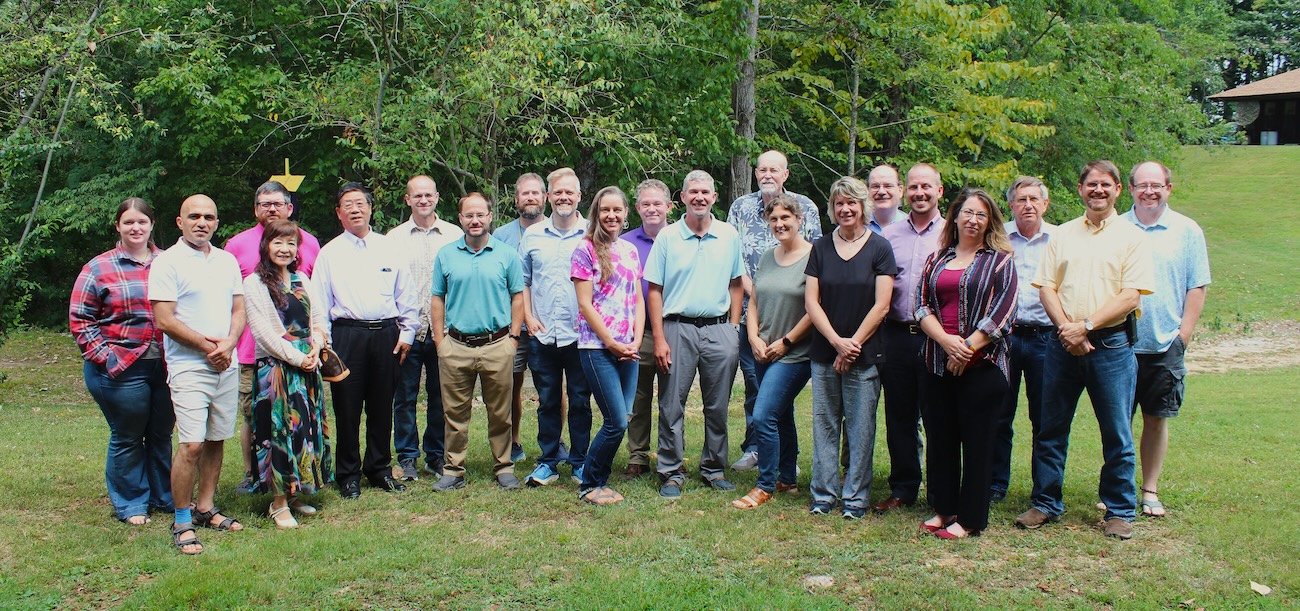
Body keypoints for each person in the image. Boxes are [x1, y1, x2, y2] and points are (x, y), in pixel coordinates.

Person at [1017, 160, 1154, 540]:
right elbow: (1046, 287)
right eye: (1091, 184)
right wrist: (1067, 329)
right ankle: (1045, 503)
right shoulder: (1062, 234)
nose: (1098, 190)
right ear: (1080, 189)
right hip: (1062, 345)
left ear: (1117, 191)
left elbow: (1130, 296)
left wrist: (1087, 326)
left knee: (1116, 432)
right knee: (1050, 427)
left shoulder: (1133, 237)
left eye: (1105, 185)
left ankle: (1120, 510)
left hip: (1110, 345)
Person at [915, 189, 1018, 539]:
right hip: (935, 363)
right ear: (955, 216)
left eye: (982, 215)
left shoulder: (1001, 261)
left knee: (978, 443)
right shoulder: (937, 258)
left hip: (983, 367)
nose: (973, 220)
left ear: (990, 221)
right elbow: (921, 306)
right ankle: (943, 509)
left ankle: (971, 518)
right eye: (968, 213)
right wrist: (945, 343)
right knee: (941, 439)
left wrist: (966, 349)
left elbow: (1003, 315)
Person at [149, 194, 246, 555]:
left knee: (217, 438)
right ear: (180, 222)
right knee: (191, 444)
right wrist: (211, 348)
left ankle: (206, 507)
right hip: (190, 366)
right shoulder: (167, 263)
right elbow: (165, 320)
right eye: (194, 216)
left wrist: (231, 343)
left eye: (209, 217)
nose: (202, 222)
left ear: (217, 223)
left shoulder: (227, 261)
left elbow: (239, 308)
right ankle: (181, 518)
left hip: (226, 362)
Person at [70, 198, 173, 526]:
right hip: (123, 366)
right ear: (118, 226)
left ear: (152, 224)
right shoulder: (99, 268)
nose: (135, 228)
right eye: (128, 222)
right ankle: (131, 504)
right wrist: (105, 357)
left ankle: (164, 496)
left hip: (168, 365)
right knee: (128, 435)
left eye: (141, 221)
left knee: (160, 433)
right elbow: (80, 318)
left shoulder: (169, 263)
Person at [311, 182, 418, 499]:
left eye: (360, 203)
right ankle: (348, 474)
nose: (355, 209)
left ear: (371, 209)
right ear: (339, 214)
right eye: (348, 205)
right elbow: (319, 302)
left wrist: (408, 333)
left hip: (387, 335)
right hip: (347, 336)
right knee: (347, 408)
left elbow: (407, 295)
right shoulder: (329, 253)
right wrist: (326, 344)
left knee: (383, 406)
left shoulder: (390, 248)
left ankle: (380, 468)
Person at [644, 170, 744, 497]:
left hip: (719, 329)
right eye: (693, 192)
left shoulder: (728, 235)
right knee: (672, 403)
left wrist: (734, 326)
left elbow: (736, 282)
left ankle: (714, 468)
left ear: (714, 197)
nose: (699, 197)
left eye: (705, 192)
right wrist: (659, 338)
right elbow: (654, 290)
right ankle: (671, 470)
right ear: (683, 198)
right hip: (677, 328)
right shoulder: (668, 238)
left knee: (718, 405)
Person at [1122, 161, 1210, 518]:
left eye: (1156, 185)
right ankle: (1117, 488)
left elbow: (1197, 285)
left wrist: (1183, 335)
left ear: (1168, 188)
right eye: (1142, 185)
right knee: (1118, 420)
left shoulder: (1186, 230)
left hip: (1164, 343)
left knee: (1156, 417)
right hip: (1119, 342)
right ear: (1130, 189)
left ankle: (1150, 490)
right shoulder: (1117, 227)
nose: (1149, 191)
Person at [804, 177, 896, 519]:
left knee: (860, 428)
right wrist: (836, 343)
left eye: (851, 203)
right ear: (832, 208)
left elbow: (882, 304)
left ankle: (855, 498)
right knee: (825, 424)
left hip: (865, 353)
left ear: (863, 207)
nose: (845, 209)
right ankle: (824, 495)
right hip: (825, 351)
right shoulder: (820, 247)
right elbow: (812, 302)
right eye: (839, 203)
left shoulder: (879, 248)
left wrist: (852, 345)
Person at [726, 150, 822, 472]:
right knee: (755, 385)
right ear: (755, 173)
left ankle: (780, 466)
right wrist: (757, 293)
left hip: (794, 317)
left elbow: (820, 258)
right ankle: (756, 448)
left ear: (786, 174)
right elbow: (732, 259)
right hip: (751, 315)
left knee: (777, 397)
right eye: (762, 169)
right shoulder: (740, 207)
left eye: (774, 170)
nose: (767, 174)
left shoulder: (805, 206)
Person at [224, 181, 322, 496]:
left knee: (300, 420)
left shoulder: (309, 244)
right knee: (258, 419)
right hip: (258, 355)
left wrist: (315, 348)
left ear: (289, 207)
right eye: (264, 204)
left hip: (304, 359)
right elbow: (238, 305)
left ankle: (296, 480)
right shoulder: (237, 245)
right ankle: (256, 476)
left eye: (277, 203)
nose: (271, 208)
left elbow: (315, 309)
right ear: (256, 209)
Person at [429, 193, 526, 491]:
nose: (475, 220)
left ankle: (504, 466)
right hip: (455, 346)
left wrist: (513, 339)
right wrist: (439, 341)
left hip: (497, 344)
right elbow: (437, 299)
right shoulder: (446, 255)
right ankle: (453, 469)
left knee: (501, 411)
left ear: (489, 217)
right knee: (455, 413)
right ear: (460, 219)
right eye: (468, 215)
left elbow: (518, 298)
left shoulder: (506, 254)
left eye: (480, 215)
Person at [243, 220, 333, 528]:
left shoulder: (301, 279)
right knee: (278, 433)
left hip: (307, 368)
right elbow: (263, 333)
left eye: (291, 243)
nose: (285, 249)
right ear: (266, 245)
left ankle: (296, 494)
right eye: (278, 242)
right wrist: (298, 358)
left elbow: (319, 319)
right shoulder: (255, 284)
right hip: (277, 371)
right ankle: (278, 503)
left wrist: (316, 347)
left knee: (303, 431)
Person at [731, 194, 815, 510]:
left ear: (799, 219)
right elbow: (754, 300)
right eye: (774, 219)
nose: (779, 224)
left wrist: (787, 342)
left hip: (794, 353)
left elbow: (814, 308)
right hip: (763, 349)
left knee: (764, 414)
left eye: (785, 218)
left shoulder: (814, 257)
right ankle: (786, 479)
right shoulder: (768, 256)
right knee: (782, 414)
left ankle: (764, 484)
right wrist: (753, 336)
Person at [875, 163, 946, 513]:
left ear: (939, 191)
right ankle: (903, 488)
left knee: (939, 417)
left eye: (926, 187)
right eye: (914, 187)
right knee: (899, 417)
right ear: (906, 190)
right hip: (897, 336)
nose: (920, 193)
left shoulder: (951, 233)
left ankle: (940, 493)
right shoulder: (889, 235)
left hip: (938, 339)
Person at [387, 175, 464, 481]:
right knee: (404, 397)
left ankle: (435, 455)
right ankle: (407, 457)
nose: (423, 200)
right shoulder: (394, 238)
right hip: (406, 330)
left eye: (428, 195)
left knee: (440, 395)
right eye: (416, 196)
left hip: (444, 331)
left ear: (436, 197)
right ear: (408, 200)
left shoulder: (453, 234)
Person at [572, 186, 644, 504]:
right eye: (605, 210)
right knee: (614, 421)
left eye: (617, 210)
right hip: (597, 347)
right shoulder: (584, 249)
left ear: (626, 213)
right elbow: (585, 305)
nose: (611, 216)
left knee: (623, 417)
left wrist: (637, 340)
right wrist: (612, 342)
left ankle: (597, 478)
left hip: (629, 348)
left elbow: (638, 298)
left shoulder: (629, 250)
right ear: (596, 213)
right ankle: (591, 483)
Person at [521, 167, 593, 487]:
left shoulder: (592, 234)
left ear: (579, 196)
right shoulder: (533, 235)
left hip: (581, 335)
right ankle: (548, 461)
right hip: (542, 333)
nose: (564, 197)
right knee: (548, 400)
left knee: (579, 400)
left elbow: (602, 282)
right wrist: (527, 316)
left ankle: (579, 462)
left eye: (570, 192)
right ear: (548, 197)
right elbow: (523, 281)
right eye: (558, 192)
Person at [990, 176, 1056, 504]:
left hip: (1047, 338)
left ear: (1045, 204)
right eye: (1021, 200)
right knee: (999, 414)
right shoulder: (998, 239)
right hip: (1006, 338)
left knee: (1045, 418)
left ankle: (1042, 491)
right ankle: (995, 484)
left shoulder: (1060, 239)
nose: (1027, 205)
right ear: (1011, 205)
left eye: (1034, 199)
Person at [619, 179, 672, 481]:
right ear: (637, 208)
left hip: (672, 328)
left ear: (668, 206)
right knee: (637, 398)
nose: (652, 208)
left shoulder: (679, 238)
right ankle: (637, 455)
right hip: (636, 332)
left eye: (657, 203)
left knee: (670, 398)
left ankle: (669, 456)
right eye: (645, 203)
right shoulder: (624, 242)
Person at [494, 173, 548, 463]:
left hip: (545, 325)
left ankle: (553, 443)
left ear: (545, 198)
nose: (530, 198)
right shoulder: (501, 236)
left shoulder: (558, 231)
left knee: (550, 389)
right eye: (524, 193)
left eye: (535, 193)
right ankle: (512, 443)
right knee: (510, 388)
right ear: (516, 200)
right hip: (510, 326)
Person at [867, 165, 907, 234]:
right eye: (875, 186)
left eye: (888, 186)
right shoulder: (853, 227)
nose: (881, 192)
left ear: (900, 191)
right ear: (867, 191)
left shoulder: (912, 227)